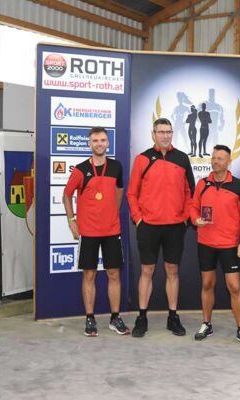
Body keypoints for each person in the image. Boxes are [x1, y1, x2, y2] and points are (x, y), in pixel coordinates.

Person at [127, 117, 195, 337]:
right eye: (161, 132)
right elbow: (131, 193)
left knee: (172, 271)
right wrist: (138, 218)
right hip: (148, 226)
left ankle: (173, 317)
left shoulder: (182, 158)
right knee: (147, 270)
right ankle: (142, 317)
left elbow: (190, 192)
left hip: (175, 227)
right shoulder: (142, 159)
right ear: (153, 134)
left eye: (168, 132)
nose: (165, 135)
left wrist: (185, 218)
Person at [63, 126, 129, 337]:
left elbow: (120, 190)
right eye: (95, 141)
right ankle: (90, 318)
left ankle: (115, 317)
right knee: (89, 274)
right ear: (89, 144)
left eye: (102, 140)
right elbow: (66, 195)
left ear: (108, 143)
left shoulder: (116, 167)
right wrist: (72, 220)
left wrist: (112, 212)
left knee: (114, 274)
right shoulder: (81, 169)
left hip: (111, 230)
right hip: (88, 231)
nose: (99, 144)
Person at [190, 145, 240, 346]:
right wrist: (195, 219)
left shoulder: (238, 186)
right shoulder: (203, 184)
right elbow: (192, 207)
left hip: (229, 244)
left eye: (220, 159)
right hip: (206, 243)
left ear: (229, 162)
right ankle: (206, 324)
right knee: (207, 284)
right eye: (214, 158)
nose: (216, 162)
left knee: (234, 287)